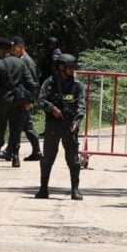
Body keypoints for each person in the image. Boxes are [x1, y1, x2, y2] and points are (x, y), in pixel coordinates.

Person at [35, 53, 85, 200]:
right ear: (61, 67)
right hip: (53, 126)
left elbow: (81, 107)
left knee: (73, 159)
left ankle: (75, 189)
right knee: (48, 158)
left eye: (73, 68)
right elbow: (41, 100)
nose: (72, 70)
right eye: (69, 67)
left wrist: (76, 123)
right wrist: (51, 108)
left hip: (70, 126)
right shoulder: (49, 83)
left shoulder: (78, 86)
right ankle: (43, 188)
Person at [0, 37, 36, 168]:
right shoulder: (21, 63)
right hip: (18, 101)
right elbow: (30, 83)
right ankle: (15, 158)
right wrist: (30, 100)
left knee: (0, 128)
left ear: (0, 50)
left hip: (2, 102)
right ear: (11, 48)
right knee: (15, 129)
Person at [13, 36, 43, 161]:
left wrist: (29, 101)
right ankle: (36, 151)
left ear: (22, 47)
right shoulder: (20, 59)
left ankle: (12, 152)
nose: (12, 52)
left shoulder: (27, 61)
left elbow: (31, 83)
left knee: (20, 126)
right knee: (27, 125)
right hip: (22, 98)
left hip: (25, 99)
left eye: (15, 49)